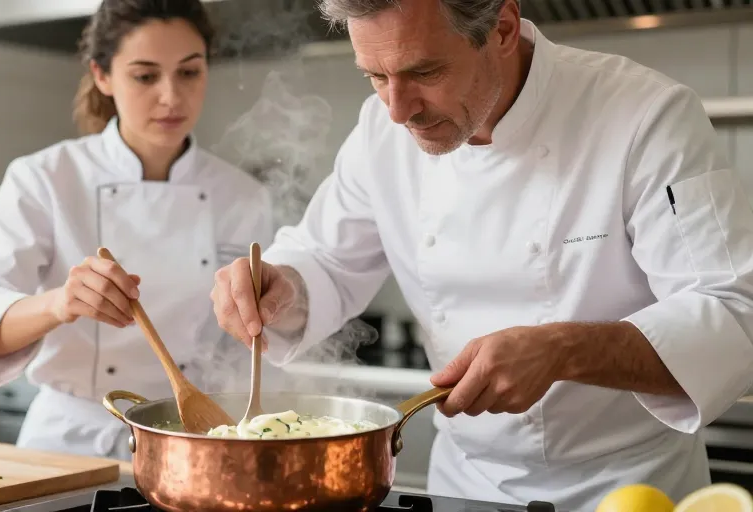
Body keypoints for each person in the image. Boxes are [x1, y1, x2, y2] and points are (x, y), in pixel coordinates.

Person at [210, 0, 753, 510]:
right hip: (466, 486)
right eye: (375, 77)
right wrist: (280, 286)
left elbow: (734, 313)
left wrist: (565, 349)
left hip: (627, 487)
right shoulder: (380, 133)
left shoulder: (644, 116)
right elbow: (324, 260)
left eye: (424, 72)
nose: (398, 111)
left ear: (503, 28)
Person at [0, 0, 274, 461]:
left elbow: (253, 347)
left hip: (198, 444)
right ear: (102, 75)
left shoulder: (243, 196)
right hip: (68, 446)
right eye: (145, 76)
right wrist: (60, 303)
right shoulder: (46, 177)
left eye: (189, 72)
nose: (171, 97)